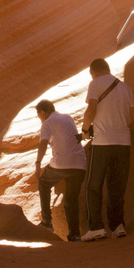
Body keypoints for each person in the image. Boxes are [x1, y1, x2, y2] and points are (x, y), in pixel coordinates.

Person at [79, 58, 134, 240]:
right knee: (116, 186)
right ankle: (117, 226)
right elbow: (133, 117)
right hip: (123, 143)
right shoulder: (126, 88)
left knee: (93, 186)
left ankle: (96, 227)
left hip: (102, 143)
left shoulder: (95, 83)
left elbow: (91, 109)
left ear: (93, 72)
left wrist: (86, 130)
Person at [31, 99, 87, 241]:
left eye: (39, 117)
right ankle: (75, 235)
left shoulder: (47, 122)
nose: (40, 120)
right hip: (80, 165)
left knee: (44, 183)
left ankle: (47, 222)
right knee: (71, 200)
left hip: (62, 164)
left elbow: (43, 142)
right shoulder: (68, 118)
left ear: (43, 113)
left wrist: (38, 163)